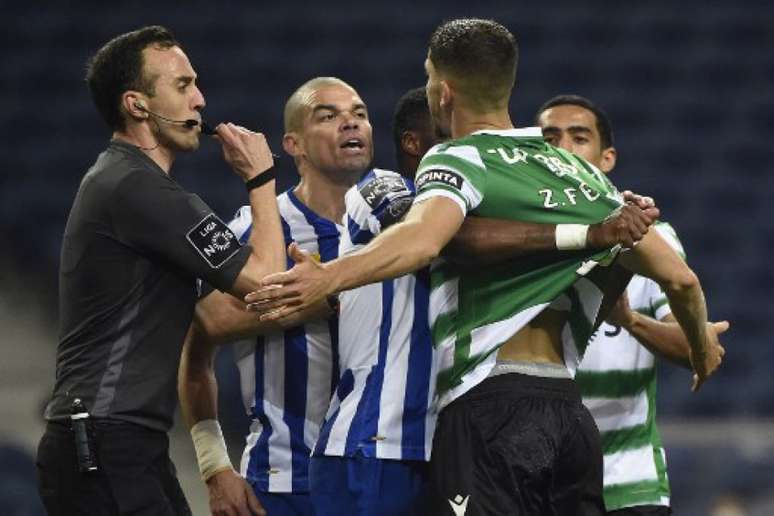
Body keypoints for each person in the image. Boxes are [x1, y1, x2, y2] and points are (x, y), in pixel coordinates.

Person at [247, 18, 724, 516]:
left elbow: (423, 238)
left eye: (430, 78)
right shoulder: (583, 174)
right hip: (570, 415)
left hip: (492, 410)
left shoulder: (457, 156)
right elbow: (681, 279)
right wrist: (701, 346)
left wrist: (329, 275)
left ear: (444, 92)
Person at [36, 26, 285, 516]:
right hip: (105, 442)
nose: (200, 99)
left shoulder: (126, 183)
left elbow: (212, 318)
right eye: (182, 85)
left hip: (120, 442)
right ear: (137, 104)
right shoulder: (137, 189)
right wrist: (261, 178)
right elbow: (266, 281)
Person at [179, 76, 370, 516]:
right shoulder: (252, 228)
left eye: (359, 114)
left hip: (384, 471)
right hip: (283, 479)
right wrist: (214, 467)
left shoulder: (403, 224)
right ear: (293, 144)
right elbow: (201, 340)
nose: (350, 123)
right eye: (328, 116)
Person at [536, 94, 728, 515]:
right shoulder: (521, 243)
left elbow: (695, 354)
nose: (563, 147)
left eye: (578, 136)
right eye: (550, 137)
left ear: (607, 158)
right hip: (541, 481)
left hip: (628, 482)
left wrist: (629, 320)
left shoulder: (650, 243)